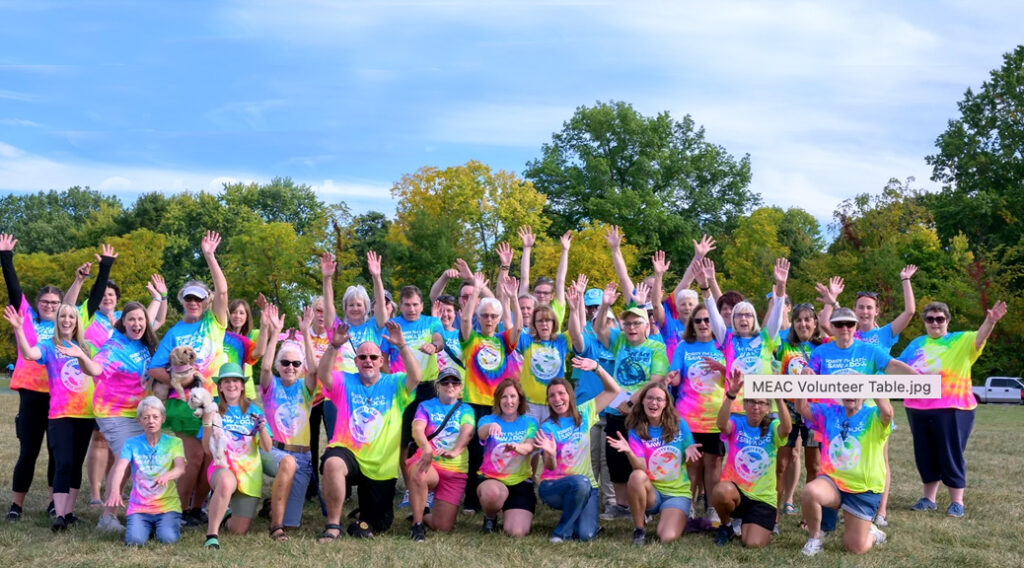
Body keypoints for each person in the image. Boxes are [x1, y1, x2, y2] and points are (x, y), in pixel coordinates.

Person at [147, 231, 229, 527]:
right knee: (193, 457)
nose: (193, 303)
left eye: (198, 298)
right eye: (188, 298)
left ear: (205, 302)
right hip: (183, 404)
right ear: (182, 301)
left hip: (215, 402)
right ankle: (178, 512)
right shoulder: (174, 333)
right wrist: (180, 376)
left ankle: (196, 509)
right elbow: (155, 369)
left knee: (209, 458)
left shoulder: (215, 323)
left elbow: (222, 292)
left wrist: (210, 256)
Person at [315, 319, 421, 541]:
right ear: (355, 361)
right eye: (362, 357)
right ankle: (333, 525)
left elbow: (416, 377)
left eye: (373, 357)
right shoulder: (346, 381)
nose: (368, 361)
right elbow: (323, 375)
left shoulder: (395, 383)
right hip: (348, 452)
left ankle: (364, 512)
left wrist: (402, 346)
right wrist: (333, 346)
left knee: (379, 525)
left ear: (381, 361)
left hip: (381, 465)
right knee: (332, 462)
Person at [900, 300, 1007, 518]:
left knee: (950, 454)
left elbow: (980, 337)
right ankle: (928, 499)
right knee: (925, 454)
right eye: (930, 319)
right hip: (917, 409)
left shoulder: (960, 340)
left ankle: (957, 502)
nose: (935, 323)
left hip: (952, 407)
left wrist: (991, 321)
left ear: (947, 321)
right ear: (924, 322)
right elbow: (897, 366)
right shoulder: (917, 344)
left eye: (940, 319)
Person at [5, 300, 96, 531]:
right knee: (63, 462)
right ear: (57, 321)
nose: (67, 320)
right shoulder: (48, 346)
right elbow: (28, 354)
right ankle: (59, 515)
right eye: (63, 317)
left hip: (85, 414)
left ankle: (68, 513)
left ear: (77, 323)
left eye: (71, 317)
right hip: (60, 413)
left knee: (75, 464)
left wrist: (81, 355)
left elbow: (97, 371)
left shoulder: (86, 347)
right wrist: (18, 329)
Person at [2, 233, 69, 519]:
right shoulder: (26, 317)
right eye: (46, 302)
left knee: (56, 453)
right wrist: (5, 257)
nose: (50, 306)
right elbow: (14, 289)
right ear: (38, 303)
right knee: (28, 452)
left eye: (55, 303)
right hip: (31, 395)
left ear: (62, 306)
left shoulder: (67, 328)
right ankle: (17, 505)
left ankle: (54, 502)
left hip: (58, 398)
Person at [77, 301, 159, 532]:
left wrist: (159, 297)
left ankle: (142, 511)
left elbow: (148, 315)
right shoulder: (115, 347)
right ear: (122, 323)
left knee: (139, 460)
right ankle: (107, 517)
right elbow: (95, 369)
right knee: (127, 456)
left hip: (139, 413)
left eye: (140, 320)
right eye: (131, 319)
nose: (137, 323)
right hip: (113, 411)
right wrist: (81, 357)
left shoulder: (143, 342)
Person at [592, 279, 669, 521]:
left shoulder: (656, 347)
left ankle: (644, 505)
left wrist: (632, 404)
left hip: (643, 411)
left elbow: (655, 379)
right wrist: (604, 306)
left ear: (646, 326)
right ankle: (622, 505)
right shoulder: (620, 341)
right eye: (627, 324)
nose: (632, 327)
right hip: (616, 410)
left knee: (640, 456)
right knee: (615, 457)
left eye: (637, 323)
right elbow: (600, 330)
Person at [535, 352, 620, 542]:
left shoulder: (584, 413)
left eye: (561, 393)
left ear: (570, 395)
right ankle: (560, 533)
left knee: (585, 535)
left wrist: (597, 367)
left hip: (588, 487)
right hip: (554, 487)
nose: (557, 399)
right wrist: (549, 453)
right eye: (552, 396)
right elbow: (548, 466)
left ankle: (576, 522)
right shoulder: (548, 427)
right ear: (548, 401)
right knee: (580, 482)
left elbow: (614, 390)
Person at [795, 395, 893, 556]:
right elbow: (802, 408)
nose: (850, 394)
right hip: (833, 482)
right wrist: (804, 383)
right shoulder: (830, 412)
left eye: (855, 389)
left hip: (862, 489)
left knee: (855, 547)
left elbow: (888, 414)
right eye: (846, 388)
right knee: (810, 492)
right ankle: (814, 539)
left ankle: (873, 534)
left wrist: (874, 386)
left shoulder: (873, 415)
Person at [459, 270, 523, 512]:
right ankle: (472, 499)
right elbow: (464, 322)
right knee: (474, 451)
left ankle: (497, 494)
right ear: (479, 316)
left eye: (493, 316)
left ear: (498, 319)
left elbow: (518, 326)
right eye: (484, 315)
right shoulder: (471, 340)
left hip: (497, 405)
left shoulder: (502, 340)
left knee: (495, 450)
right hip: (473, 403)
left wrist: (513, 298)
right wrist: (475, 290)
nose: (488, 319)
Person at [607, 382, 701, 545]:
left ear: (666, 403)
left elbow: (693, 465)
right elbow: (641, 467)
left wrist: (691, 456)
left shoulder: (680, 425)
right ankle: (639, 529)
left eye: (659, 399)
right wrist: (629, 451)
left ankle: (676, 516)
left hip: (676, 493)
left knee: (666, 537)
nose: (654, 403)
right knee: (636, 476)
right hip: (652, 493)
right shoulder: (636, 430)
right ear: (642, 401)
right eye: (649, 398)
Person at [711, 370, 792, 547]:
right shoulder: (737, 423)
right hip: (737, 492)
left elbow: (787, 429)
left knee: (752, 544)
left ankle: (751, 523)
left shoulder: (773, 426)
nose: (756, 407)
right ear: (745, 405)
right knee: (720, 491)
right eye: (752, 402)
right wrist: (731, 395)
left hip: (762, 499)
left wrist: (779, 398)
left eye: (761, 403)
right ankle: (726, 526)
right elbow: (721, 425)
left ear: (767, 408)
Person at [260, 305, 317, 540]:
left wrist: (306, 333)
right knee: (287, 463)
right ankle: (275, 526)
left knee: (293, 522)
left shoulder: (306, 388)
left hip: (303, 457)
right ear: (278, 366)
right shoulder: (270, 386)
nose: (290, 368)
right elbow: (264, 366)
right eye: (285, 363)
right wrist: (276, 333)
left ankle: (272, 506)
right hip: (274, 451)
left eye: (295, 364)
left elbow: (314, 370)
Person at [667, 303, 727, 523]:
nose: (703, 324)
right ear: (691, 324)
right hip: (687, 418)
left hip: (716, 418)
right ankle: (687, 507)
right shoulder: (683, 347)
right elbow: (675, 376)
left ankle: (712, 507)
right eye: (698, 320)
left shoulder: (723, 346)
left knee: (713, 464)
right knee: (691, 464)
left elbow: (733, 378)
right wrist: (671, 378)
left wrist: (721, 368)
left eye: (707, 319)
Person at [202, 362, 272, 549]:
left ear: (242, 386)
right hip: (222, 466)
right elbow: (206, 449)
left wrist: (263, 429)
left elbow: (267, 447)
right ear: (220, 387)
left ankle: (225, 513)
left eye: (235, 381)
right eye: (226, 382)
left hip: (249, 471)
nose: (231, 385)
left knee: (238, 530)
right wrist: (207, 424)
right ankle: (211, 535)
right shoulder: (213, 409)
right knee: (226, 483)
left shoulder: (254, 410)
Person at [105, 396, 186, 546]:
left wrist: (168, 475)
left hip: (167, 506)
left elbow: (180, 468)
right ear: (139, 421)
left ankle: (164, 526)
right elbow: (120, 469)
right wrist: (115, 491)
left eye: (155, 417)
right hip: (139, 507)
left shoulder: (175, 442)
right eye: (146, 417)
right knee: (134, 541)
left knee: (168, 539)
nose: (151, 421)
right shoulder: (131, 444)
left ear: (163, 418)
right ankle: (147, 527)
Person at [407, 366, 476, 541]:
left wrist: (456, 451)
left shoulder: (466, 409)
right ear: (438, 386)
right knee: (420, 474)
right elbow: (417, 428)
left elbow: (467, 431)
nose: (450, 385)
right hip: (429, 462)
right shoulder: (426, 405)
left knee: (443, 527)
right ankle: (417, 524)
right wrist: (426, 447)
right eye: (445, 381)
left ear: (461, 387)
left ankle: (422, 512)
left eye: (455, 382)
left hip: (454, 469)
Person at [775, 303, 827, 516]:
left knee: (814, 466)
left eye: (808, 319)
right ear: (793, 324)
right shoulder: (784, 345)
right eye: (798, 320)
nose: (803, 324)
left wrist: (831, 302)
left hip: (813, 412)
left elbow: (846, 336)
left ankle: (809, 515)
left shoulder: (824, 347)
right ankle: (773, 514)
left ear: (815, 323)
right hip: (788, 410)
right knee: (781, 464)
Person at [476, 379, 539, 537]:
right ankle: (490, 517)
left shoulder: (530, 422)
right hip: (493, 480)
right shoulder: (488, 420)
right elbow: (480, 433)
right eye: (504, 397)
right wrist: (489, 428)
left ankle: (510, 512)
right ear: (498, 400)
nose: (509, 401)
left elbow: (530, 447)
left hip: (520, 481)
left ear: (520, 400)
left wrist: (518, 447)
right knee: (493, 494)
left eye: (513, 396)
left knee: (516, 532)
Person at [516, 303, 570, 423]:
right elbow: (515, 327)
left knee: (549, 440)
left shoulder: (561, 341)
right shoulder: (527, 340)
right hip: (529, 405)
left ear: (554, 323)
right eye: (540, 320)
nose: (544, 324)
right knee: (529, 440)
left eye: (548, 320)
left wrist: (576, 307)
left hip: (554, 404)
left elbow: (578, 329)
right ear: (534, 324)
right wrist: (514, 299)